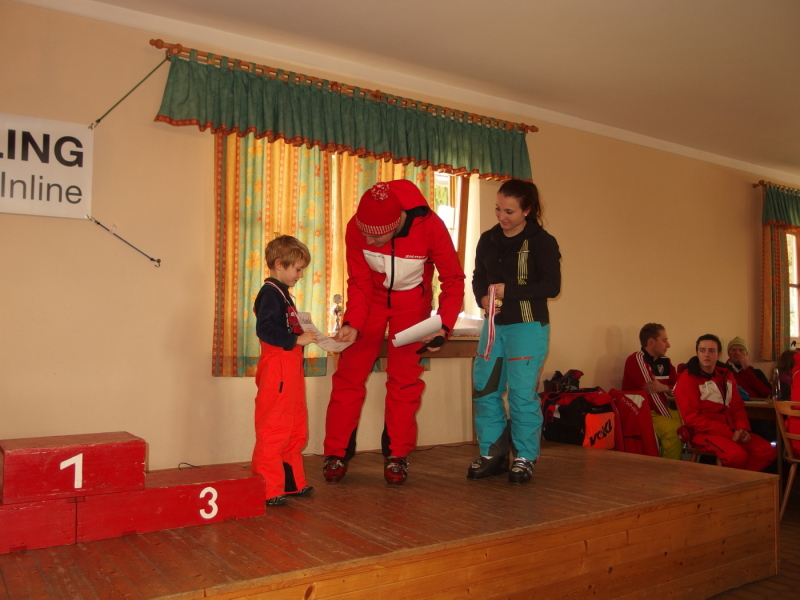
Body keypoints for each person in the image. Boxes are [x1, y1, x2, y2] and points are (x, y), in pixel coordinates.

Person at [323, 180, 465, 486]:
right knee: (349, 376)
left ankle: (397, 455)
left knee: (404, 381)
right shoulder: (356, 228)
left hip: (412, 305)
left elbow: (453, 280)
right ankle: (336, 453)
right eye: (364, 234)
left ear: (396, 224)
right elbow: (358, 280)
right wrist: (352, 323)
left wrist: (444, 325)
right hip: (370, 301)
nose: (368, 241)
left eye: (376, 236)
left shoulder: (431, 227)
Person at [467, 179, 561, 485]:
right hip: (493, 328)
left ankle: (524, 457)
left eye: (509, 211)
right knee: (485, 391)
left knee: (521, 395)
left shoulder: (542, 242)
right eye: (498, 208)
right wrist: (482, 297)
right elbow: (478, 277)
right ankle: (492, 455)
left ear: (527, 210)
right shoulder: (487, 239)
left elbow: (551, 286)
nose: (501, 216)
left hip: (528, 328)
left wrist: (511, 291)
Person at [252, 235, 318, 506]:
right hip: (277, 367)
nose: (300, 275)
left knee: (294, 426)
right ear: (279, 264)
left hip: (290, 368)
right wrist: (296, 340)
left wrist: (305, 335)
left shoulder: (283, 294)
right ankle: (268, 489)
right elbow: (265, 329)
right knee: (274, 427)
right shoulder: (269, 293)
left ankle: (291, 483)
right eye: (298, 269)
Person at [673, 334, 775, 471]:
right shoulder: (687, 378)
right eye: (702, 350)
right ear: (697, 353)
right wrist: (729, 433)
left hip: (732, 430)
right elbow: (692, 418)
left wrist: (742, 428)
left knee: (766, 450)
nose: (706, 354)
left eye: (711, 350)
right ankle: (735, 482)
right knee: (737, 456)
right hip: (703, 433)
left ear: (719, 354)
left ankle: (740, 481)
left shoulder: (726, 375)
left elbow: (737, 406)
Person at [621, 323, 682, 460]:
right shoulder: (636, 359)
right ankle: (669, 469)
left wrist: (665, 388)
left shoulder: (665, 362)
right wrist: (668, 415)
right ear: (651, 342)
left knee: (691, 421)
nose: (668, 345)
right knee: (675, 429)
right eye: (664, 340)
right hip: (642, 413)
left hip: (660, 410)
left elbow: (681, 389)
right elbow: (653, 394)